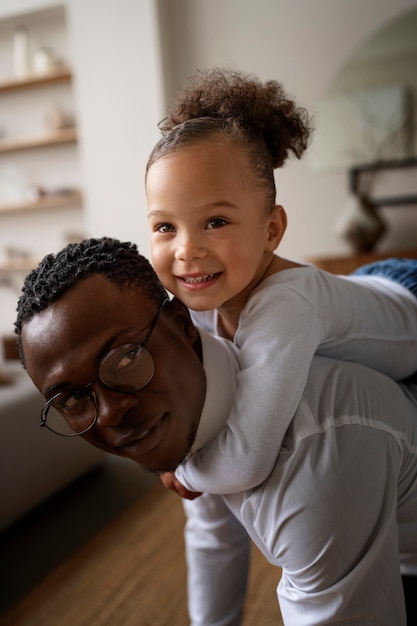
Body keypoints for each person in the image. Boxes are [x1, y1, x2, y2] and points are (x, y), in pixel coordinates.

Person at [15, 237, 417, 625]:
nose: (110, 414)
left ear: (183, 323)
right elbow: (214, 535)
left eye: (125, 360)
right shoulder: (192, 404)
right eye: (70, 400)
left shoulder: (312, 454)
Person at [145, 67, 417, 496]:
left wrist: (181, 471)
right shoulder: (200, 306)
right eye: (165, 227)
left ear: (271, 231)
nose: (186, 250)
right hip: (363, 290)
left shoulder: (284, 306)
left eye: (215, 221)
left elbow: (245, 461)